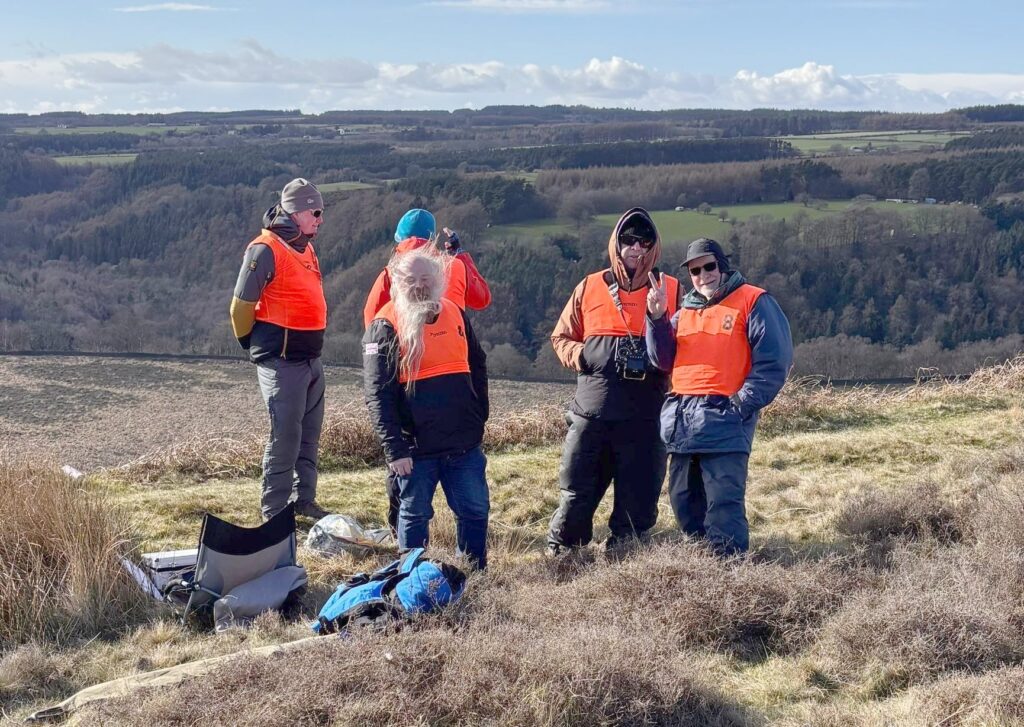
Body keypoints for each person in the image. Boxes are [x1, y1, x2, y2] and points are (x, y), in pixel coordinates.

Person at [546, 208, 682, 555]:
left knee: (638, 499)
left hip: (646, 416)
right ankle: (564, 556)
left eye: (644, 241)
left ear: (654, 247)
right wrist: (582, 356)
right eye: (628, 240)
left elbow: (686, 346)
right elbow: (561, 336)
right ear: (616, 243)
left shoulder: (672, 289)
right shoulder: (590, 286)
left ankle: (625, 560)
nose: (636, 248)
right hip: (591, 413)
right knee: (577, 493)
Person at [645, 238, 793, 555]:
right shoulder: (683, 312)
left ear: (722, 267)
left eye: (709, 266)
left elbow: (774, 362)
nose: (702, 275)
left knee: (723, 505)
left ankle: (728, 577)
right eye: (695, 270)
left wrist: (740, 405)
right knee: (683, 502)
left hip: (725, 421)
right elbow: (662, 359)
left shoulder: (754, 301)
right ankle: (702, 567)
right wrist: (657, 318)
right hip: (683, 423)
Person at [363, 208, 492, 535]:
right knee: (472, 509)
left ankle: (407, 564)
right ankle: (471, 571)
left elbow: (371, 322)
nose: (420, 286)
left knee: (412, 510)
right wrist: (462, 254)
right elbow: (482, 299)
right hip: (451, 423)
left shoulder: (391, 273)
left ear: (398, 239)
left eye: (426, 281)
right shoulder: (456, 264)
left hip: (425, 428)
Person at [229, 178, 331, 521]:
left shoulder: (306, 246)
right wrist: (253, 345)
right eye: (315, 212)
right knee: (284, 437)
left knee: (308, 436)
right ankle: (274, 512)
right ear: (296, 211)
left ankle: (305, 501)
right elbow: (241, 306)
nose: (319, 219)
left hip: (310, 358)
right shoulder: (265, 249)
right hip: (283, 362)